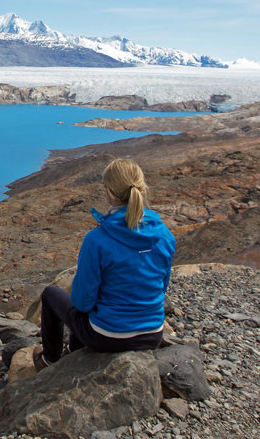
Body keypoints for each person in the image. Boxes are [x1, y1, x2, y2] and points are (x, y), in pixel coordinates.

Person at [34, 158, 175, 370]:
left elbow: (82, 303)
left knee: (51, 295)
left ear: (108, 192)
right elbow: (161, 287)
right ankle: (74, 350)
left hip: (108, 337)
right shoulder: (165, 235)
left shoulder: (97, 240)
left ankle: (49, 361)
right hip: (152, 334)